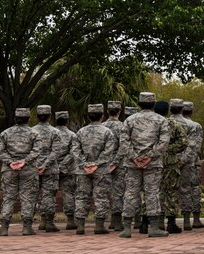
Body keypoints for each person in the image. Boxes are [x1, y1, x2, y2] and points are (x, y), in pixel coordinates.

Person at [118, 92, 171, 238]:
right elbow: (164, 142)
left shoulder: (130, 120)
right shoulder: (161, 120)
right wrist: (150, 156)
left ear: (139, 103)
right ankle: (154, 228)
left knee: (130, 192)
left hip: (132, 163)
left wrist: (134, 157)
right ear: (153, 103)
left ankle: (127, 228)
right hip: (153, 164)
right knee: (152, 193)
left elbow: (123, 141)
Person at [0, 108, 42, 236]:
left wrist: (10, 162)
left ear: (15, 119)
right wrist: (25, 161)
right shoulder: (34, 133)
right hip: (28, 170)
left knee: (8, 198)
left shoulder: (5, 133)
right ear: (28, 119)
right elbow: (37, 151)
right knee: (28, 197)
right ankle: (27, 227)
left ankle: (4, 227)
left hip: (9, 170)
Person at [72, 103, 116, 235]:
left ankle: (80, 226)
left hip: (82, 170)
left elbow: (75, 150)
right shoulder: (107, 132)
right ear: (102, 116)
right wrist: (96, 164)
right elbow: (109, 151)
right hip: (101, 170)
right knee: (101, 196)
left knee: (81, 196)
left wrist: (85, 164)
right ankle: (99, 226)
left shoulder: (80, 132)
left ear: (89, 117)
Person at [158, 99, 189, 233]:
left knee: (153, 190)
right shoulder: (172, 123)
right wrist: (169, 149)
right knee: (170, 191)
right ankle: (171, 223)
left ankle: (150, 222)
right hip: (170, 161)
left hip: (152, 160)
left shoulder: (148, 123)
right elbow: (183, 142)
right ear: (167, 111)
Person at [32, 104, 61, 233]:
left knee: (34, 195)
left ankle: (39, 221)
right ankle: (48, 222)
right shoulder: (55, 131)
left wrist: (37, 164)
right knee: (49, 195)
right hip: (50, 169)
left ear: (38, 116)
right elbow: (55, 152)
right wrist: (46, 165)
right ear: (49, 116)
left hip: (33, 167)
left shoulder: (31, 131)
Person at [180, 101, 204, 229]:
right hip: (192, 162)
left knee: (171, 190)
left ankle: (170, 219)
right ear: (192, 111)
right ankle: (193, 220)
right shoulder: (196, 126)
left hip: (172, 162)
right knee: (193, 189)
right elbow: (196, 146)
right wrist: (185, 159)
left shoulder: (170, 123)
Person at [102, 100, 125, 231]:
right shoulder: (123, 126)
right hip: (119, 162)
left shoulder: (102, 126)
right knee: (118, 192)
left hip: (104, 162)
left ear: (107, 111)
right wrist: (116, 162)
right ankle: (117, 221)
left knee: (104, 192)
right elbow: (124, 146)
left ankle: (107, 219)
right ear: (119, 112)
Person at [54, 111, 78, 230]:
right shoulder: (72, 135)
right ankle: (70, 220)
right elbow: (73, 152)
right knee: (68, 193)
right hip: (68, 169)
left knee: (47, 193)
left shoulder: (51, 133)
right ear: (67, 120)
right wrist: (63, 165)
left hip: (49, 168)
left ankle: (45, 220)